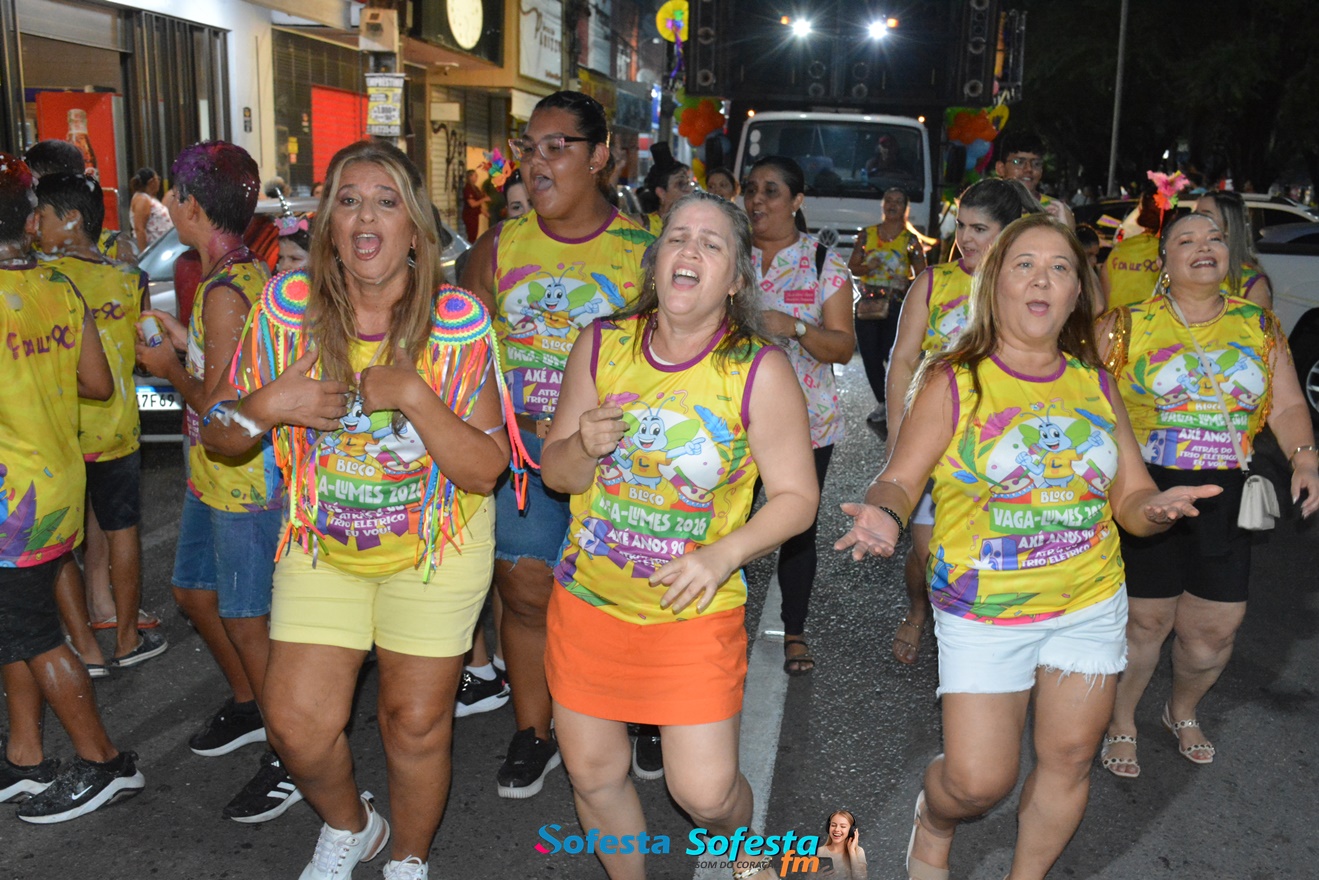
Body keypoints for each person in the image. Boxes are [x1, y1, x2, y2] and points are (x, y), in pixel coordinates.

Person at [836, 213, 1223, 880]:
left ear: (1076, 293)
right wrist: (884, 513)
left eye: (1059, 268)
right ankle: (935, 820)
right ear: (995, 285)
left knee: (1069, 758)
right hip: (984, 609)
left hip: (1087, 601)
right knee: (976, 782)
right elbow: (900, 478)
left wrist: (1156, 510)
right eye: (1024, 265)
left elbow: (1131, 500)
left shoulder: (1096, 383)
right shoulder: (955, 379)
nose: (1042, 279)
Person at [203, 138, 518, 880]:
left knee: (414, 724)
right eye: (348, 201)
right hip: (323, 546)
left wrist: (414, 395)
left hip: (435, 550)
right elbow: (219, 435)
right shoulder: (285, 311)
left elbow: (485, 470)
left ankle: (409, 859)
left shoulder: (459, 321)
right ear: (328, 226)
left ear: (414, 228)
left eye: (385, 202)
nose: (366, 217)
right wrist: (268, 404)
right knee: (295, 726)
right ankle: (354, 826)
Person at [540, 191, 818, 880]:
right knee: (593, 775)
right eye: (677, 237)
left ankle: (744, 851)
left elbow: (796, 499)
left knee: (705, 794)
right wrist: (581, 444)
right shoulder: (600, 344)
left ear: (736, 280)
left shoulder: (757, 369)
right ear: (655, 259)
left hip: (691, 614)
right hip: (590, 605)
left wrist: (722, 556)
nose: (689, 249)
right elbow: (557, 474)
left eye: (711, 243)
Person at [461, 89, 653, 799]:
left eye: (555, 147)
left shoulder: (644, 255)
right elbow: (463, 360)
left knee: (626, 593)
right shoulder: (496, 249)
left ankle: (644, 713)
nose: (535, 164)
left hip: (617, 459)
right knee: (522, 585)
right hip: (523, 461)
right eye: (528, 149)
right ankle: (533, 730)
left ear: (599, 156)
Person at [1097, 212, 1319, 778]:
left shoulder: (1258, 325)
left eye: (1215, 238)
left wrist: (1304, 457)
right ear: (1163, 260)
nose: (1204, 246)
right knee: (1145, 623)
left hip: (1226, 492)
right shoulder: (1126, 324)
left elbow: (1289, 405)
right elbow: (1085, 405)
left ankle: (1182, 710)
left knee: (1215, 629)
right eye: (1187, 239)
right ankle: (1121, 717)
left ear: (1229, 254)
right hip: (1147, 488)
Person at [134, 141, 292, 824]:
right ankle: (253, 705)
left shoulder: (227, 290)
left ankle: (290, 754)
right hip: (213, 477)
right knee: (194, 594)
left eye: (174, 194)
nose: (169, 203)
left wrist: (168, 369)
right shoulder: (237, 271)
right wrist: (184, 337)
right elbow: (228, 366)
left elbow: (224, 409)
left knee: (247, 618)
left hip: (243, 483)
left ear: (191, 205)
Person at [0, 153, 145, 824]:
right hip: (58, 485)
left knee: (33, 634)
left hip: (13, 504)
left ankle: (104, 761)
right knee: (18, 627)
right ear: (30, 221)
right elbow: (98, 383)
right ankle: (25, 756)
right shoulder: (60, 287)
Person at [884, 178, 1040, 665]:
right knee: (932, 555)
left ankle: (976, 651)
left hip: (1003, 452)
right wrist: (898, 437)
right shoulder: (934, 282)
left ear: (1010, 232)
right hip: (935, 445)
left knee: (989, 555)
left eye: (979, 228)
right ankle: (919, 610)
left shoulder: (1032, 289)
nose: (965, 238)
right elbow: (902, 360)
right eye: (962, 226)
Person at [33, 172, 167, 673]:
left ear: (71, 219)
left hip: (60, 433)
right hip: (116, 433)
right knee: (121, 529)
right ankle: (127, 640)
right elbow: (148, 353)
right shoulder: (130, 278)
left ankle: (84, 645)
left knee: (61, 539)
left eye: (42, 215)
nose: (35, 225)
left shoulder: (44, 282)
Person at [744, 155, 856, 676]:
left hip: (808, 424)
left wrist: (795, 327)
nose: (757, 199)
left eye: (771, 190)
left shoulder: (823, 264)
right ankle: (717, 624)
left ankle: (794, 631)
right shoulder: (729, 256)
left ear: (797, 200)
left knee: (797, 528)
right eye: (751, 189)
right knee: (725, 519)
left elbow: (843, 347)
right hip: (732, 417)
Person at [847, 187, 930, 428]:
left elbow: (923, 274)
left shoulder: (910, 240)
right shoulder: (867, 235)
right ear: (882, 205)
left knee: (891, 354)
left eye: (898, 201)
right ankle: (884, 403)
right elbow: (853, 266)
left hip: (897, 305)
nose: (893, 205)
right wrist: (868, 267)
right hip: (868, 304)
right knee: (870, 356)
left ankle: (900, 399)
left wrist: (907, 281)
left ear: (905, 208)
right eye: (889, 200)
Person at [1194, 190, 1273, 309]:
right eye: (1195, 214)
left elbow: (1261, 320)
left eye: (1206, 216)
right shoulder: (1185, 270)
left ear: (1228, 226)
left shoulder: (1252, 284)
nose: (1194, 220)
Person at [1099, 181, 1165, 310]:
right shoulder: (1170, 251)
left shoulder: (1119, 250)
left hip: (1119, 320)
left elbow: (1105, 302)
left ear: (1140, 210)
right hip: (1155, 321)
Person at [994, 131, 1074, 229]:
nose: (1029, 169)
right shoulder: (986, 207)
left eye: (1036, 163)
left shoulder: (1056, 211)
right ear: (1001, 168)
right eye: (1019, 162)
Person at [130, 167, 174, 254]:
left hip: (159, 247)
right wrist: (144, 254)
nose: (159, 182)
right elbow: (139, 228)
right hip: (151, 248)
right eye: (158, 179)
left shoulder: (148, 198)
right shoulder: (142, 200)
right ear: (152, 181)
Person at [816, 810, 867, 879]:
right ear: (828, 828)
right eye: (833, 825)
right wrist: (817, 878)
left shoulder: (858, 851)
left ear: (851, 830)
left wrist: (852, 852)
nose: (837, 829)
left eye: (843, 826)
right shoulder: (818, 852)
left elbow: (860, 878)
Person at [462, 169, 490, 242]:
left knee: (474, 235)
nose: (477, 177)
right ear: (470, 177)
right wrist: (484, 199)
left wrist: (485, 213)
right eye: (475, 176)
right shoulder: (468, 188)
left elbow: (478, 204)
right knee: (471, 236)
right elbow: (472, 204)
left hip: (475, 216)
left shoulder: (475, 188)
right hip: (469, 216)